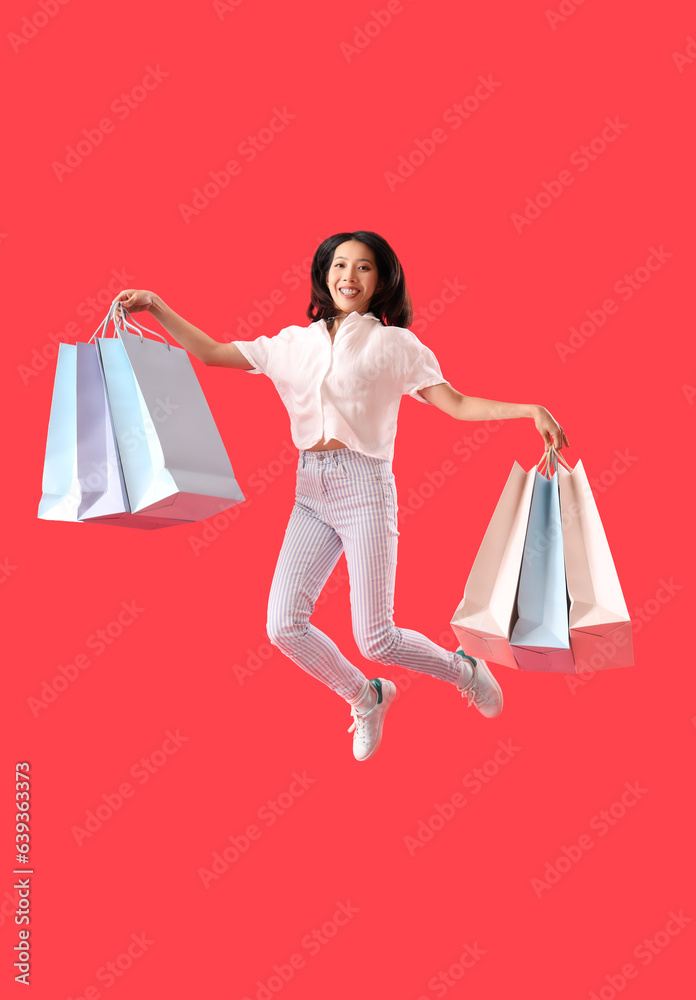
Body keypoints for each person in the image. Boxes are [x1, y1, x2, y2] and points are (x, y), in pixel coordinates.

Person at [112, 230, 569, 762]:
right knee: (282, 624)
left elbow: (458, 403)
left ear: (381, 280)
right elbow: (213, 353)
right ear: (324, 274)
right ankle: (365, 695)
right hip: (310, 490)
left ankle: (463, 669)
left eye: (364, 268)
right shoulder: (293, 344)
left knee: (375, 637)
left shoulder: (395, 346)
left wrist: (530, 410)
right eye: (339, 265)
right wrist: (157, 307)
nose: (349, 276)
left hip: (365, 491)